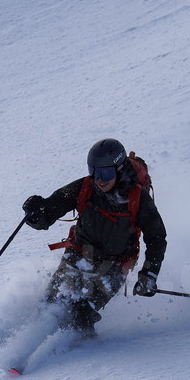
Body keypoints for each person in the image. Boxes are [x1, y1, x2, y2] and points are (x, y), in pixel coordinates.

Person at [21, 138, 167, 335]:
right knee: (51, 303)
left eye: (106, 172)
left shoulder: (138, 198)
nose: (100, 178)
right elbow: (50, 211)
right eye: (94, 171)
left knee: (81, 313)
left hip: (115, 265)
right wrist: (36, 214)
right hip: (80, 252)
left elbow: (156, 238)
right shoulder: (85, 187)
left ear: (119, 168)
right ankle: (26, 345)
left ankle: (80, 353)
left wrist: (149, 274)